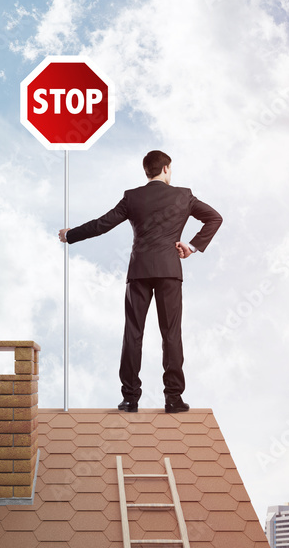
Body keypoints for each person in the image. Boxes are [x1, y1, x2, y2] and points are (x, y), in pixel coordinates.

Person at [58, 150, 222, 413]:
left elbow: (103, 224)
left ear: (147, 171)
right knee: (171, 335)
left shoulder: (132, 197)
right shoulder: (183, 195)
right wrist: (191, 246)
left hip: (139, 271)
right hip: (169, 270)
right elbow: (215, 217)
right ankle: (173, 399)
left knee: (133, 334)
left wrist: (71, 235)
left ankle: (130, 398)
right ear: (166, 168)